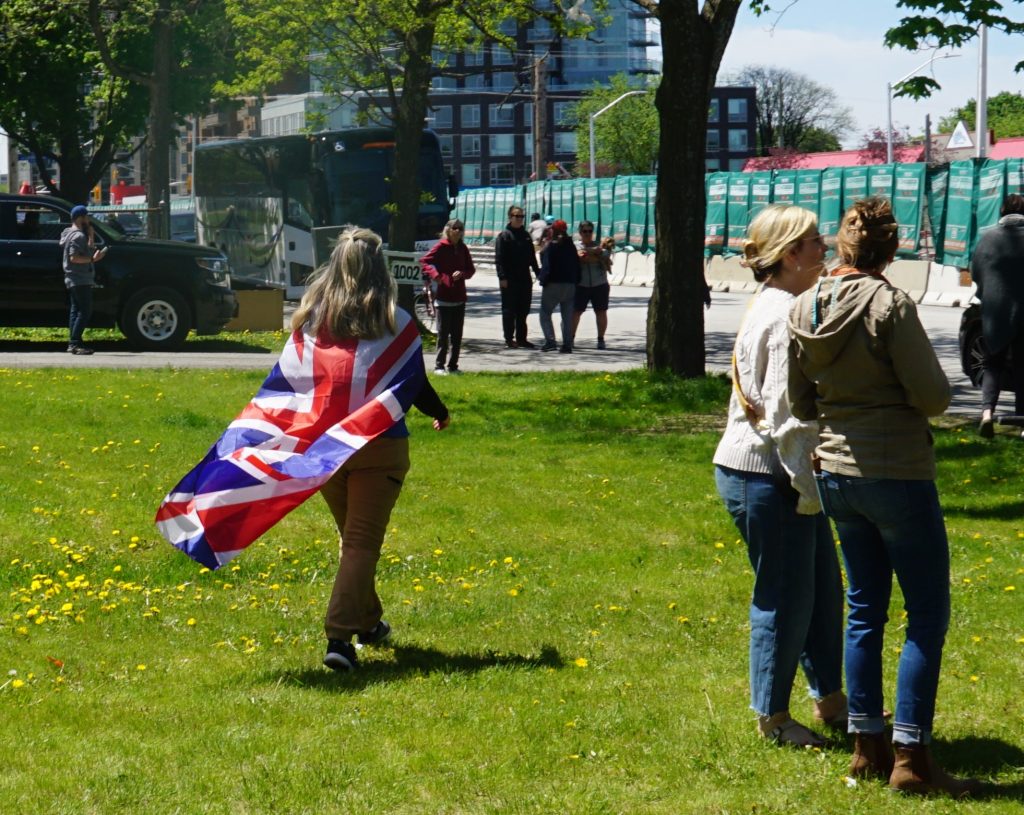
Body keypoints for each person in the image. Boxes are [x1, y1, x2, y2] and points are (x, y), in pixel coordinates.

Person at [789, 198, 979, 797]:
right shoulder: (890, 303)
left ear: (842, 247)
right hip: (896, 470)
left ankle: (866, 748)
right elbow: (932, 396)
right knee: (925, 613)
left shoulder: (805, 305)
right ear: (891, 251)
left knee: (865, 610)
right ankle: (913, 759)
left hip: (837, 474)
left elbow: (799, 404)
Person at [287, 227, 451, 672]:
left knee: (353, 541)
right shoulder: (395, 319)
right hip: (379, 446)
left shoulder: (310, 319)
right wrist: (438, 410)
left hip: (324, 448)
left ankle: (369, 623)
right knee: (359, 544)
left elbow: (292, 385)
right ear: (380, 269)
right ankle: (339, 638)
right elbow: (412, 380)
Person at [712, 204, 845, 748]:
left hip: (773, 472)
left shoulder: (780, 302)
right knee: (785, 596)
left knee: (823, 590)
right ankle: (771, 717)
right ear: (790, 255)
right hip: (769, 474)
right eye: (814, 242)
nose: (824, 249)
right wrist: (810, 490)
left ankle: (830, 699)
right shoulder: (785, 313)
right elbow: (786, 420)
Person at [971, 193, 1024, 437]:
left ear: (1002, 212)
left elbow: (976, 273)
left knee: (993, 364)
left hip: (996, 313)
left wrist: (987, 295)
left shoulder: (988, 238)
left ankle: (987, 414)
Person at [419, 218, 476, 375]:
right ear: (448, 230)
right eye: (455, 228)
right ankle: (439, 366)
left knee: (457, 335)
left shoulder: (463, 248)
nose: (458, 231)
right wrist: (436, 275)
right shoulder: (440, 247)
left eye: (460, 228)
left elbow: (471, 270)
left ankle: (453, 366)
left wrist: (463, 273)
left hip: (459, 297)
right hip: (443, 297)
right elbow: (424, 261)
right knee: (443, 334)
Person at [60, 204, 107, 355]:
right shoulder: (78, 236)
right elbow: (74, 257)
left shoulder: (70, 233)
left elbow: (85, 250)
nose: (88, 219)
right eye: (86, 216)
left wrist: (91, 236)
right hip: (79, 278)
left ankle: (74, 342)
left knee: (76, 311)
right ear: (80, 218)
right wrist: (93, 260)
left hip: (74, 278)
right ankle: (74, 343)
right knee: (85, 311)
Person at [494, 205, 539, 349]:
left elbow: (532, 258)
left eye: (522, 216)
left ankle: (522, 339)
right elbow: (499, 259)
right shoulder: (504, 236)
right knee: (509, 310)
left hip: (524, 279)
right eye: (516, 216)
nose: (520, 219)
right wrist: (502, 278)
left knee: (523, 310)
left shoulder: (525, 235)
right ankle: (509, 338)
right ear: (510, 217)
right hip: (509, 279)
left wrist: (539, 273)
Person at [537, 219, 581, 353]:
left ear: (553, 230)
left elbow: (547, 266)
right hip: (569, 285)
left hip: (553, 285)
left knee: (545, 313)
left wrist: (542, 280)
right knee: (567, 317)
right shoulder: (571, 245)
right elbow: (577, 265)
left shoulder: (552, 246)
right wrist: (576, 281)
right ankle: (567, 344)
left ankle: (550, 341)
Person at [572, 220, 612, 350]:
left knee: (601, 311)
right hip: (580, 284)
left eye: (590, 231)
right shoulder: (574, 246)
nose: (587, 234)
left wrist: (591, 253)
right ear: (580, 232)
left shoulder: (599, 246)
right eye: (585, 231)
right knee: (575, 312)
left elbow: (606, 255)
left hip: (599, 284)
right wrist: (593, 253)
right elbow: (577, 257)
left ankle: (601, 339)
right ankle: (570, 338)